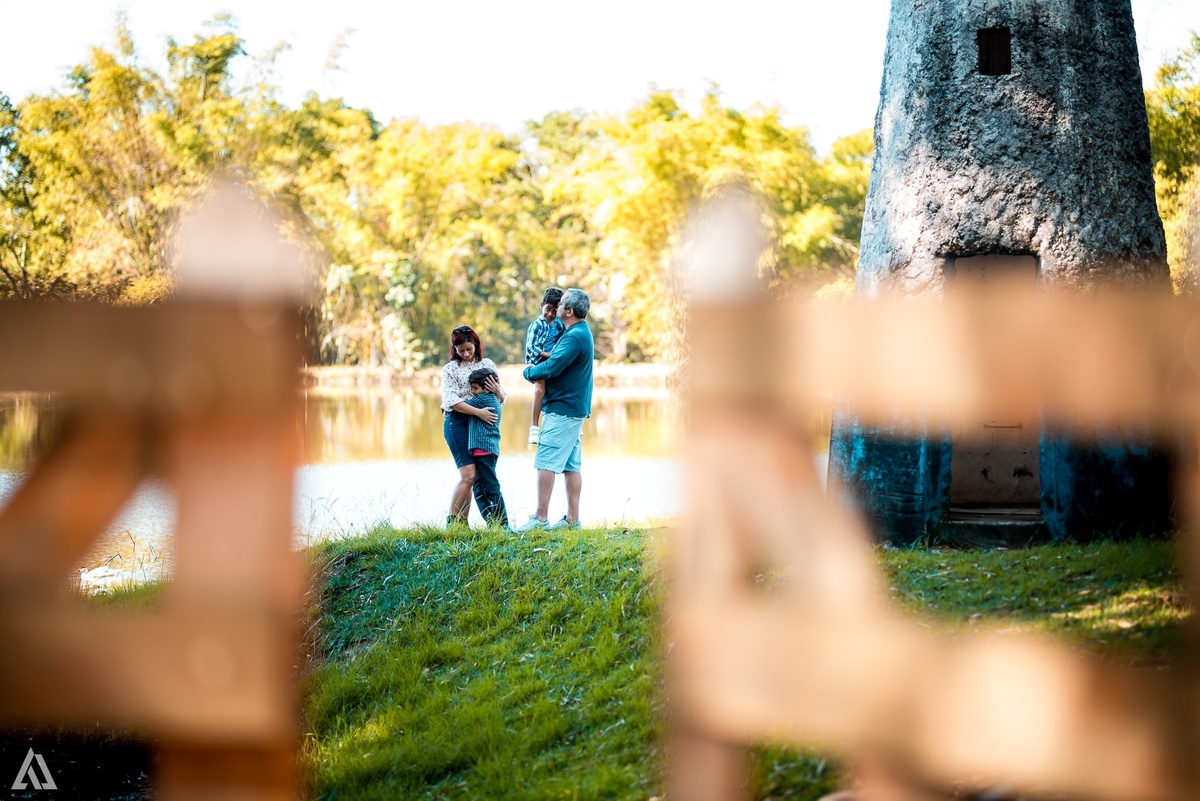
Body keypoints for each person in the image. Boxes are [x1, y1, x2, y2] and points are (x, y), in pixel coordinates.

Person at [512, 288, 594, 532]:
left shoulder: (574, 336)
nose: (557, 305)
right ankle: (572, 520)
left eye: (562, 303)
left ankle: (539, 519)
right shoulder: (578, 332)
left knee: (545, 460)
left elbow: (551, 367)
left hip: (563, 410)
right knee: (571, 465)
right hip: (572, 409)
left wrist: (527, 372)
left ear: (569, 311)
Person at [440, 325, 507, 526]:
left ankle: (463, 523)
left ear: (476, 345)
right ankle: (452, 523)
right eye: (461, 351)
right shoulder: (450, 369)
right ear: (455, 350)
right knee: (467, 474)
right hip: (457, 422)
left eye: (469, 349)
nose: (466, 354)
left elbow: (502, 397)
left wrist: (498, 391)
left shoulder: (486, 364)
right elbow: (449, 401)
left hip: (478, 426)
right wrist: (478, 412)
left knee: (475, 476)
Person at [464, 367, 508, 527]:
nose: (472, 392)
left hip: (485, 451)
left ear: (486, 387)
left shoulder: (483, 399)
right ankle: (493, 522)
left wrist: (446, 405)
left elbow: (458, 405)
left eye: (475, 388)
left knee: (491, 487)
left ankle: (503, 523)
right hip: (484, 451)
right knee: (479, 489)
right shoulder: (492, 398)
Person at [525, 287, 566, 446]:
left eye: (554, 311)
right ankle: (534, 427)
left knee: (562, 385)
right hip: (538, 360)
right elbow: (531, 348)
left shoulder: (558, 324)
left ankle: (569, 420)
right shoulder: (536, 325)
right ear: (541, 305)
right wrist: (549, 355)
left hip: (552, 360)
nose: (550, 314)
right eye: (548, 309)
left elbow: (563, 338)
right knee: (540, 390)